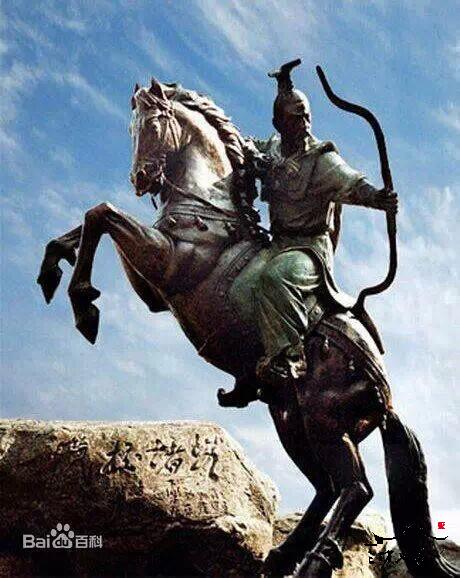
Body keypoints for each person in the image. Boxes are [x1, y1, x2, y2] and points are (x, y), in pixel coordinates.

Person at [250, 59, 398, 386]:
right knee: (239, 283)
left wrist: (378, 198)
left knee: (275, 279)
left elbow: (352, 183)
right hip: (277, 243)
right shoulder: (272, 148)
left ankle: (290, 358)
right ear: (278, 123)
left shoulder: (321, 159)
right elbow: (245, 147)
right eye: (295, 117)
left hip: (309, 251)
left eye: (306, 115)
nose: (304, 122)